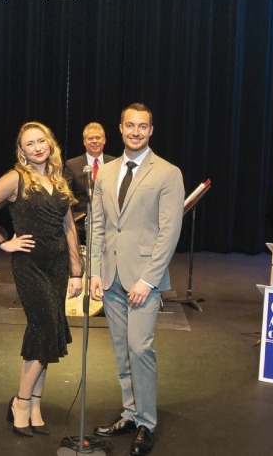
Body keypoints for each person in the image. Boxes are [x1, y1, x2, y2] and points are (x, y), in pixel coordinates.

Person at [0, 122, 82, 437]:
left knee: (48, 335)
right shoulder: (15, 178)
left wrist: (76, 269)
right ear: (22, 151)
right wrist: (4, 241)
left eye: (40, 141)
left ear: (50, 143)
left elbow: (69, 224)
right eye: (29, 144)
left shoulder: (58, 179)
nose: (37, 148)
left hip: (57, 265)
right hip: (30, 265)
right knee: (42, 327)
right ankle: (20, 402)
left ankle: (34, 404)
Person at [89, 104, 184, 456]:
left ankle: (146, 422)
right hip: (111, 277)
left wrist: (149, 279)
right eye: (130, 125)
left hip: (144, 279)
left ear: (151, 130)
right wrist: (95, 271)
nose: (135, 131)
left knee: (140, 348)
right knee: (120, 349)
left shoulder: (168, 173)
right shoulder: (106, 171)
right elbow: (97, 225)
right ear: (120, 128)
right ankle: (130, 412)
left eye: (142, 126)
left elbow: (169, 232)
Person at [63, 122, 117, 238]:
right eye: (90, 138)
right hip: (81, 227)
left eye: (98, 137)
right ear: (84, 142)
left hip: (110, 224)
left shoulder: (115, 163)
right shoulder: (72, 165)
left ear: (104, 140)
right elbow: (66, 195)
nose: (94, 141)